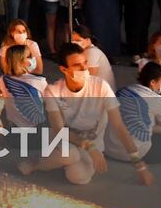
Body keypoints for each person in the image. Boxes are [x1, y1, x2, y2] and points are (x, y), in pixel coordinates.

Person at [30, 43, 154, 186]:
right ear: (64, 69)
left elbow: (119, 125)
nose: (84, 68)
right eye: (77, 65)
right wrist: (89, 146)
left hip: (90, 146)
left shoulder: (101, 86)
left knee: (79, 178)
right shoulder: (53, 90)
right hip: (64, 141)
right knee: (70, 155)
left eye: (85, 63)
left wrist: (140, 166)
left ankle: (59, 162)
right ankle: (35, 163)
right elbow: (58, 129)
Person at [70, 24, 116, 90]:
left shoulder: (93, 52)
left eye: (78, 40)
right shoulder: (86, 51)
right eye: (73, 40)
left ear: (88, 40)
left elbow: (90, 78)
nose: (74, 43)